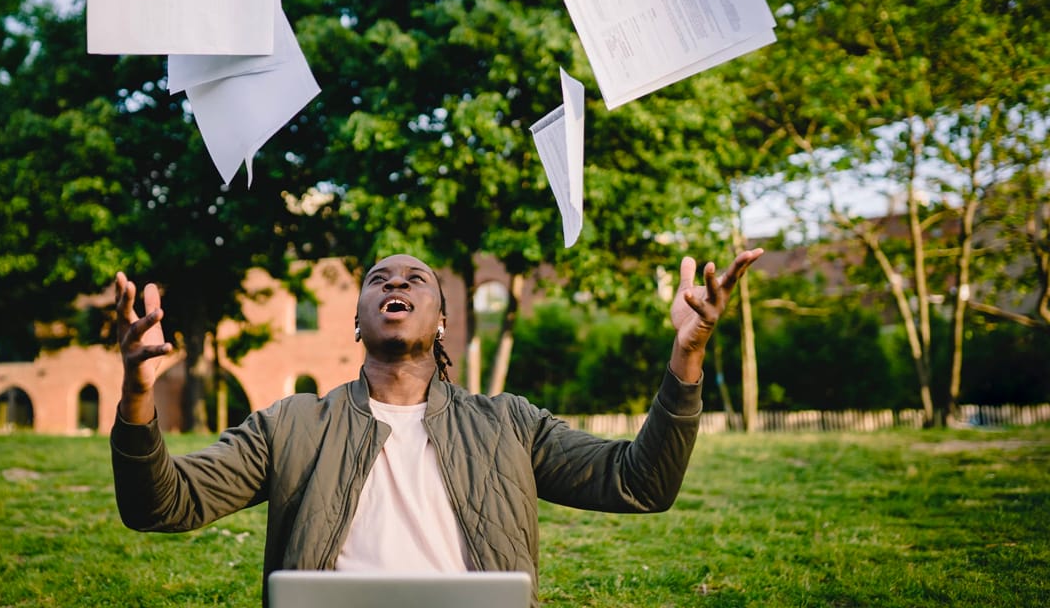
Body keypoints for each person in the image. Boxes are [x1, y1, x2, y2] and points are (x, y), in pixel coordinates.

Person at [110, 248, 763, 606]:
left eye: (415, 279)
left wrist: (688, 356)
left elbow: (640, 483)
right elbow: (160, 505)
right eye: (378, 280)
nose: (395, 282)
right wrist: (139, 392)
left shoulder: (508, 423)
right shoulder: (293, 424)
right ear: (360, 322)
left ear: (442, 322)